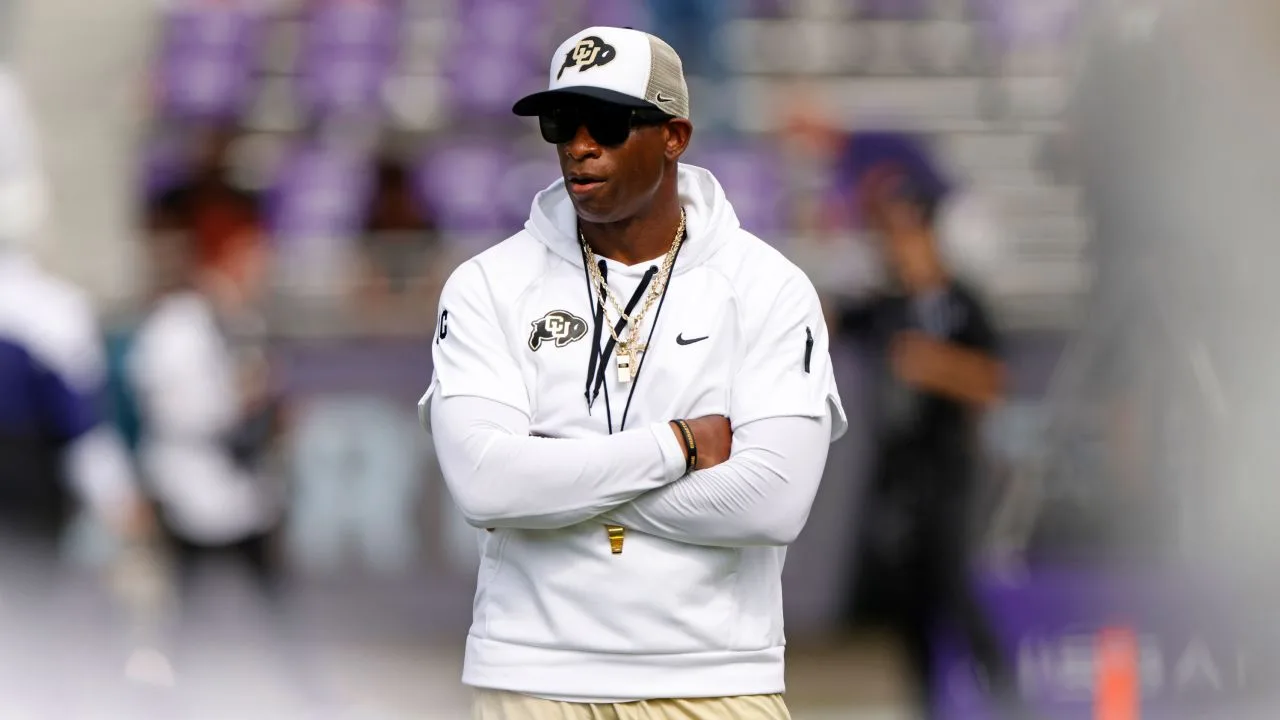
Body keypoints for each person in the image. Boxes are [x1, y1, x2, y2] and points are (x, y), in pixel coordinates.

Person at [420, 26, 846, 720]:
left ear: (673, 136)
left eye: (609, 124)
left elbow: (773, 501)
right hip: (530, 676)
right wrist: (674, 448)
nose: (579, 146)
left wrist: (555, 484)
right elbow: (486, 486)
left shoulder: (768, 285)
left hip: (715, 679)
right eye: (561, 123)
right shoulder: (485, 285)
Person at [832, 144, 1024, 718]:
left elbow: (992, 382)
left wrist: (932, 365)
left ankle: (1009, 698)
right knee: (906, 600)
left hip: (947, 466)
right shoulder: (886, 305)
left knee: (952, 584)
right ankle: (927, 704)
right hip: (897, 470)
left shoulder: (963, 305)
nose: (899, 247)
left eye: (908, 233)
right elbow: (826, 317)